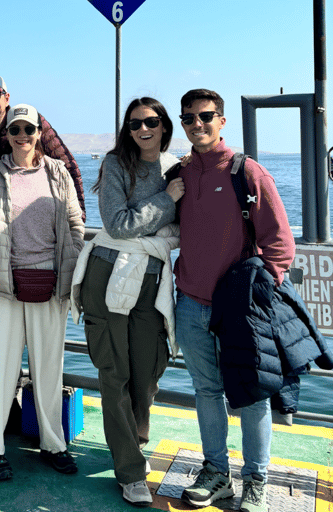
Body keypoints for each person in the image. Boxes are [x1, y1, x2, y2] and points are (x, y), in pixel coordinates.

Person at [0, 72, 86, 448]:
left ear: (7, 97)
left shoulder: (39, 131)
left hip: (38, 267)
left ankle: (43, 431)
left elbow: (69, 176)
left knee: (43, 357)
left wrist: (69, 250)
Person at [174, 89, 294, 512]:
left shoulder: (248, 172)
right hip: (190, 304)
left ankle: (256, 480)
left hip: (241, 311)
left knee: (252, 395)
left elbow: (279, 243)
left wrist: (263, 290)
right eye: (189, 118)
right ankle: (216, 473)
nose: (197, 124)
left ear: (222, 120)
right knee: (206, 390)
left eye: (205, 116)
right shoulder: (181, 174)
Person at [71, 97, 183, 506]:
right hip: (108, 272)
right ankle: (131, 472)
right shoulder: (116, 164)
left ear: (164, 125)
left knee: (149, 367)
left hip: (152, 279)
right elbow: (118, 226)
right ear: (127, 129)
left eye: (151, 121)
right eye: (135, 123)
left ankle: (134, 442)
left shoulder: (178, 167)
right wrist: (167, 200)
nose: (143, 129)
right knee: (114, 371)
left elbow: (183, 226)